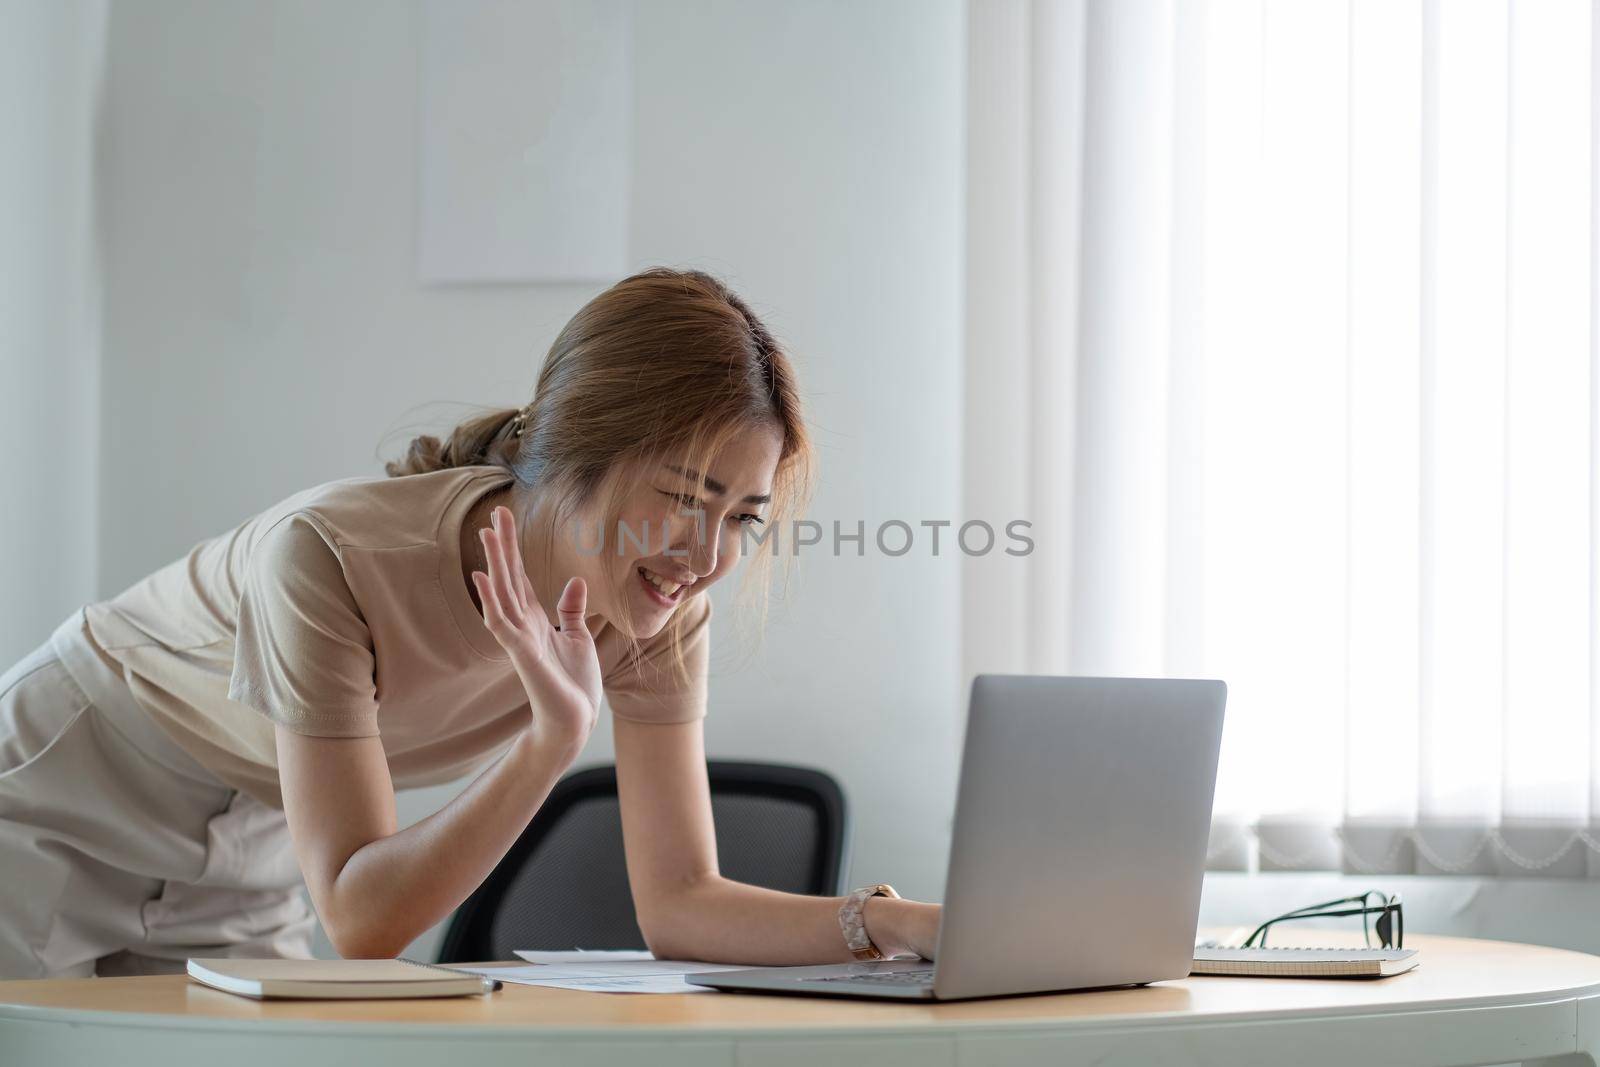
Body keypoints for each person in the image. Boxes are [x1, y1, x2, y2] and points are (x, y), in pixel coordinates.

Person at [0, 267, 941, 978]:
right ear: (578, 456)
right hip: (70, 792)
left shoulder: (654, 604)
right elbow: (363, 920)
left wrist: (892, 924)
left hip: (248, 851)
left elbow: (682, 903)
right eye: (686, 498)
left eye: (743, 515)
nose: (707, 556)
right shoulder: (328, 555)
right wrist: (551, 741)